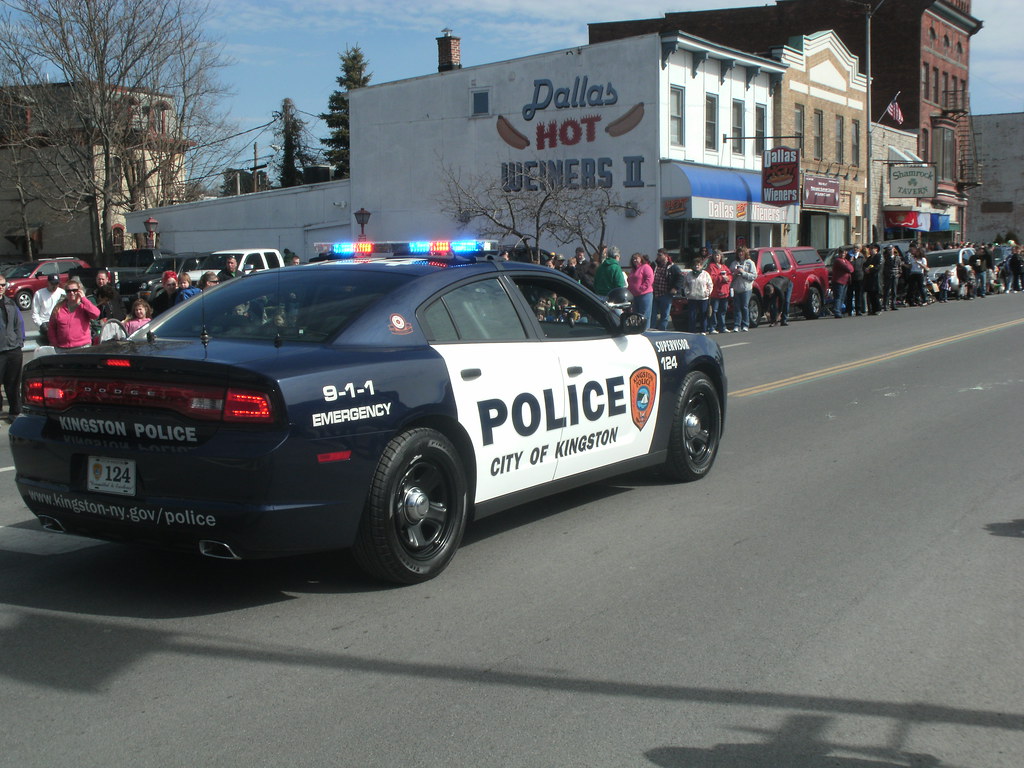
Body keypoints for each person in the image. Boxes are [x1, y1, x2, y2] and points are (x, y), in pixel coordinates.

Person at [47, 278, 99, 350]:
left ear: (79, 291)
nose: (71, 293)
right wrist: (54, 343)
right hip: (62, 348)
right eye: (68, 291)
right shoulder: (58, 308)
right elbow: (51, 327)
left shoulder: (84, 306)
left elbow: (96, 314)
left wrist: (84, 299)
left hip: (82, 347)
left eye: (74, 290)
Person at [0, 273, 25, 421]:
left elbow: (19, 323)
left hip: (13, 349)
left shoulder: (10, 303)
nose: (1, 288)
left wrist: (19, 341)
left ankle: (15, 412)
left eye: (3, 285)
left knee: (13, 384)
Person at [652, 249, 684, 331]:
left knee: (665, 315)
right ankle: (651, 331)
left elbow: (680, 277)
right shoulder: (654, 265)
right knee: (653, 314)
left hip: (665, 294)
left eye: (660, 255)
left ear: (665, 256)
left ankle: (662, 331)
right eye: (657, 255)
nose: (658, 257)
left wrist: (675, 288)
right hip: (654, 293)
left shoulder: (672, 267)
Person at [729, 247, 757, 332]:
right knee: (736, 307)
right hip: (736, 288)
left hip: (746, 288)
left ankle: (745, 324)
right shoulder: (734, 263)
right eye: (739, 252)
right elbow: (729, 275)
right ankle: (737, 325)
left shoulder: (750, 263)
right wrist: (735, 273)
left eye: (742, 252)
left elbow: (754, 276)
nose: (740, 254)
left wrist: (743, 272)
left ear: (745, 253)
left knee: (744, 306)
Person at [31, 274, 64, 344]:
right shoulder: (39, 294)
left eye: (57, 283)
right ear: (48, 282)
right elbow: (35, 313)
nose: (54, 286)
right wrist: (41, 325)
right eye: (52, 284)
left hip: (60, 322)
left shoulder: (62, 292)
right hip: (46, 323)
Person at [683, 256, 712, 334]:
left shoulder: (705, 274)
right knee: (692, 315)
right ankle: (692, 331)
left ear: (701, 266)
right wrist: (687, 293)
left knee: (703, 314)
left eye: (698, 265)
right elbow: (685, 285)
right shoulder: (689, 275)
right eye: (695, 265)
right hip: (692, 298)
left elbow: (710, 284)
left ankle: (703, 330)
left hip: (703, 298)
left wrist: (707, 292)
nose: (697, 266)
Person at [705, 249, 732, 334]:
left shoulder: (724, 266)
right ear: (713, 257)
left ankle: (722, 327)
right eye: (715, 255)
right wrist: (721, 278)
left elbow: (730, 275)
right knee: (714, 311)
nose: (717, 257)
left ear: (721, 257)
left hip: (724, 292)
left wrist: (727, 278)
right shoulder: (711, 266)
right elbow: (711, 278)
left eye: (718, 255)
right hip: (715, 293)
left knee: (723, 310)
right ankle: (712, 327)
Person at [626, 252, 654, 328]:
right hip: (635, 296)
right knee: (636, 315)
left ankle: (645, 331)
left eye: (636, 258)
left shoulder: (646, 267)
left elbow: (650, 279)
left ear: (641, 259)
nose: (635, 260)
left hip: (645, 295)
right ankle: (638, 330)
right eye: (633, 259)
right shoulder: (633, 270)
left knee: (644, 315)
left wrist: (641, 288)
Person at [831, 250, 854, 318]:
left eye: (844, 253)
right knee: (838, 297)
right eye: (842, 253)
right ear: (839, 253)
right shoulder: (838, 260)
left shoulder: (845, 261)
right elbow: (848, 269)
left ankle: (839, 310)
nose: (843, 254)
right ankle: (837, 311)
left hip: (845, 281)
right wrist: (849, 264)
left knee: (842, 297)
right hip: (838, 281)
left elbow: (852, 269)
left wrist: (849, 264)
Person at [882, 246, 902, 311]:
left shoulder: (897, 258)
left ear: (893, 250)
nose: (890, 251)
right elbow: (884, 267)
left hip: (895, 275)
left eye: (891, 249)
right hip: (888, 275)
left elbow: (899, 266)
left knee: (894, 291)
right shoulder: (886, 258)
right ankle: (885, 305)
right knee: (887, 290)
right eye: (889, 250)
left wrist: (899, 273)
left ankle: (893, 304)